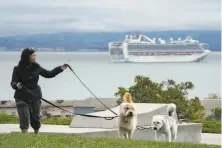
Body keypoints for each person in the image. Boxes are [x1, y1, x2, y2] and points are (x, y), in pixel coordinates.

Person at [10, 48, 68, 134]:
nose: (35, 57)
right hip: (21, 97)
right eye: (33, 55)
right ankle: (24, 136)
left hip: (35, 96)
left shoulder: (37, 67)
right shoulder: (17, 68)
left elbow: (49, 74)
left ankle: (36, 135)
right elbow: (13, 82)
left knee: (35, 119)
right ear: (27, 57)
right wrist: (17, 85)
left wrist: (60, 68)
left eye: (35, 55)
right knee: (24, 117)